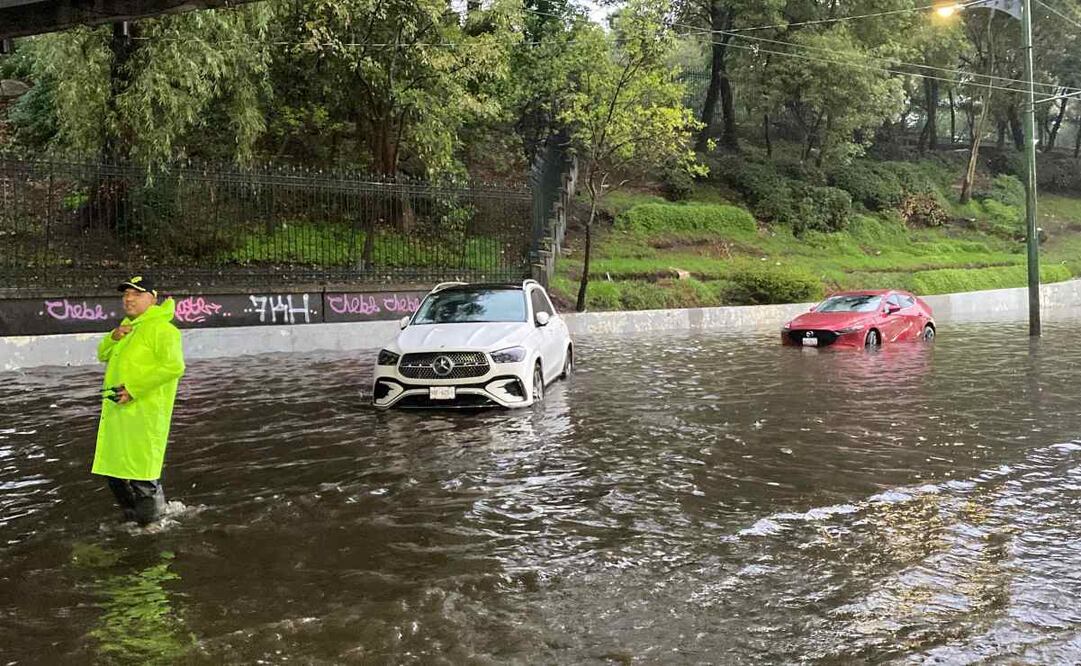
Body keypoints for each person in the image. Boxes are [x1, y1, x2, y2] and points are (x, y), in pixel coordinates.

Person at [93, 276, 185, 525]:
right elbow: (102, 354)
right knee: (113, 471)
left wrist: (134, 389)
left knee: (141, 474)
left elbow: (174, 366)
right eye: (125, 295)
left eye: (136, 294)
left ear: (152, 298)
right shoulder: (128, 328)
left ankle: (152, 527)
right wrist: (113, 336)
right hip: (117, 413)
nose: (128, 299)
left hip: (143, 414)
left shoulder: (164, 330)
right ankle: (135, 520)